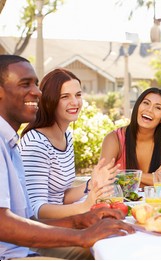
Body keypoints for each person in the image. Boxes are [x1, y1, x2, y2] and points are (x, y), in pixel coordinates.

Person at [0, 54, 134, 260]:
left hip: (22, 246)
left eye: (36, 84)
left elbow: (28, 215)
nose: (37, 92)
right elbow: (23, 217)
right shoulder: (31, 141)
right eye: (25, 84)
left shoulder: (11, 142)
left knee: (115, 244)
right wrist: (82, 227)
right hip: (14, 254)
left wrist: (82, 217)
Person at [19, 68, 117, 219]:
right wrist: (85, 206)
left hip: (64, 222)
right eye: (65, 96)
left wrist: (91, 184)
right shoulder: (36, 143)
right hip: (46, 231)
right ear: (49, 101)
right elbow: (36, 210)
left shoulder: (66, 136)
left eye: (78, 95)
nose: (75, 102)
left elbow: (60, 196)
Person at [100, 87, 161, 187]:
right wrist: (155, 179)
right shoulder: (114, 139)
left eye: (158, 107)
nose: (149, 110)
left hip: (156, 203)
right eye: (146, 103)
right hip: (118, 202)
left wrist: (124, 175)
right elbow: (103, 179)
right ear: (137, 106)